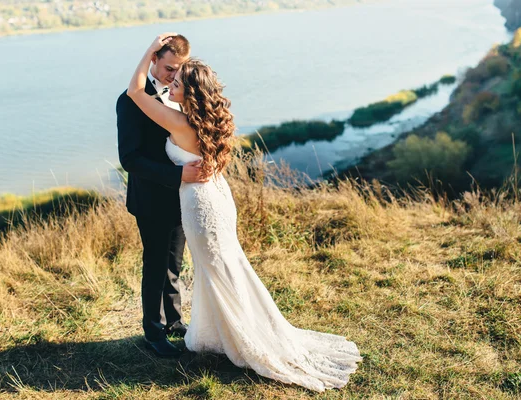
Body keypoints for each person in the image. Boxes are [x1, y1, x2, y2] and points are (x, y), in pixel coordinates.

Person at [126, 32, 362, 391]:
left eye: (177, 81)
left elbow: (134, 91)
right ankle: (221, 331)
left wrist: (148, 50)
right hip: (217, 198)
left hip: (199, 205)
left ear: (190, 92)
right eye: (170, 76)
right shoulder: (206, 118)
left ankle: (245, 336)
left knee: (217, 270)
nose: (171, 83)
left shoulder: (180, 122)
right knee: (222, 266)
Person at [117, 33, 206, 358]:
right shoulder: (130, 101)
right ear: (153, 60)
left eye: (178, 70)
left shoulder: (182, 96)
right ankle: (153, 332)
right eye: (169, 68)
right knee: (155, 264)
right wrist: (176, 174)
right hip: (151, 199)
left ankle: (174, 320)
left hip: (182, 198)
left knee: (175, 263)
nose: (173, 76)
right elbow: (130, 159)